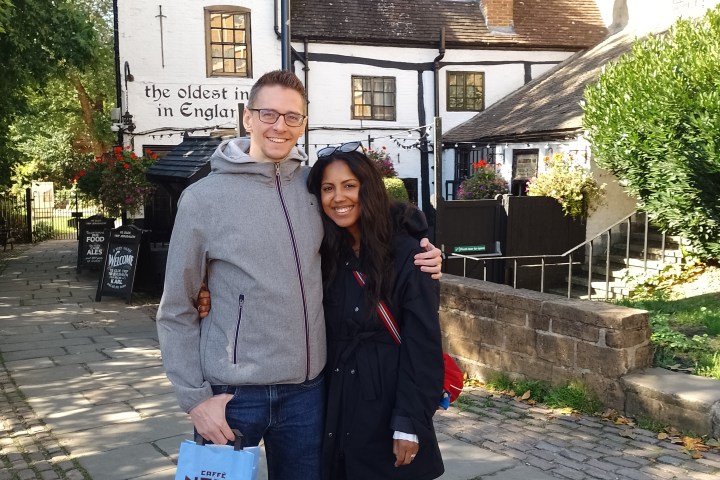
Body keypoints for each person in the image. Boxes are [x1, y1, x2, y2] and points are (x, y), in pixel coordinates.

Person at [156, 69, 441, 480]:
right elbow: (176, 307)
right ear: (247, 117)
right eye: (268, 114)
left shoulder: (312, 186)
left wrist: (426, 246)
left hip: (310, 394)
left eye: (293, 117)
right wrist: (194, 398)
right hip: (233, 395)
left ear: (303, 123)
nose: (280, 126)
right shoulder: (202, 199)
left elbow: (370, 213)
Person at [307, 147, 445, 480]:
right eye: (328, 188)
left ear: (366, 188)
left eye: (349, 185)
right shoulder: (325, 252)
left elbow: (423, 345)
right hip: (336, 404)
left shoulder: (410, 255)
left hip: (386, 403)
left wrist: (408, 422)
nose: (338, 197)